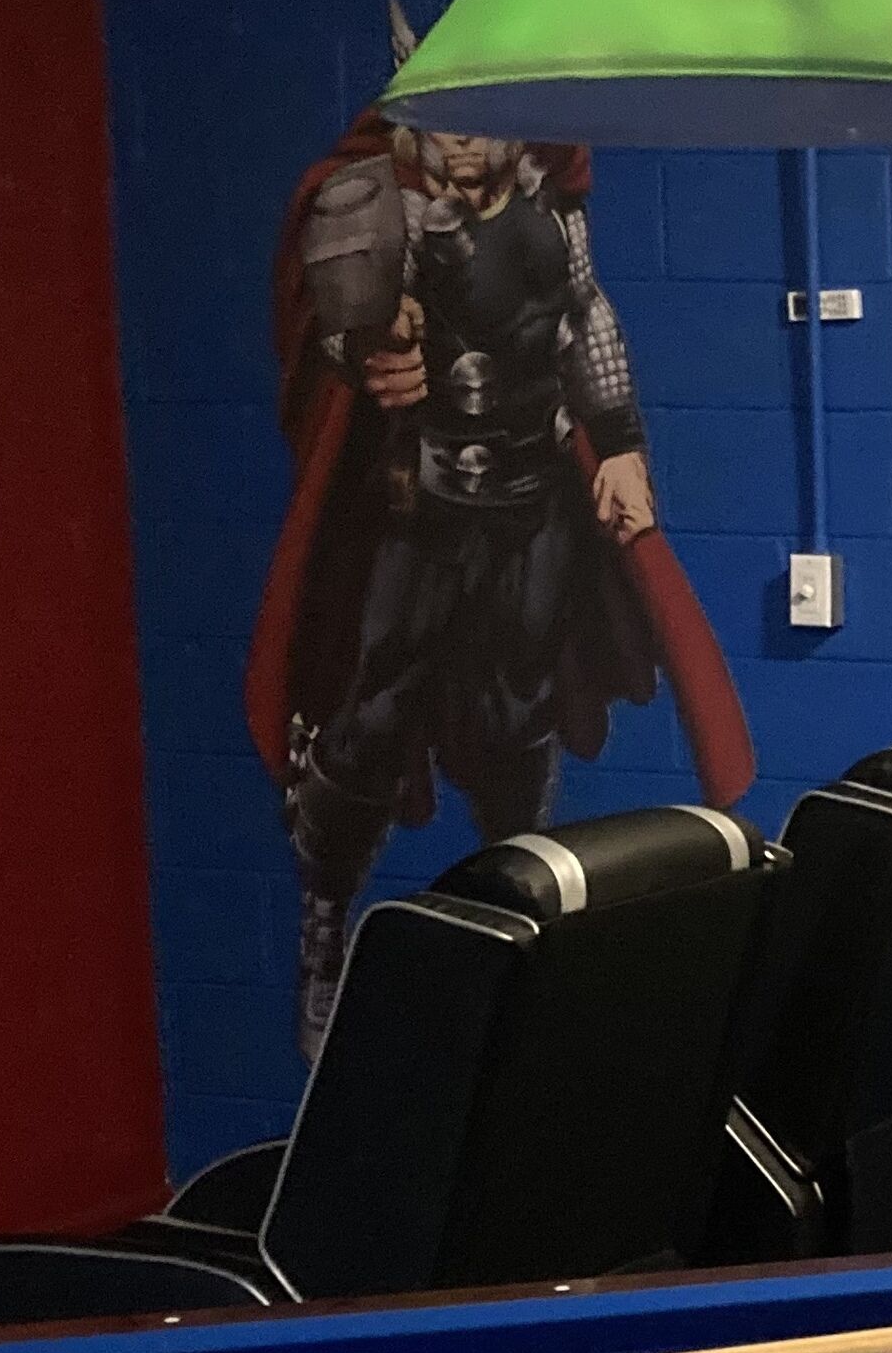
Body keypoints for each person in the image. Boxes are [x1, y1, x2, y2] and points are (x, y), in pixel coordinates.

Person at [252, 91, 747, 1060]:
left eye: (481, 120)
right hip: (419, 509)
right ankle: (325, 922)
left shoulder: (552, 207)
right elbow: (336, 324)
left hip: (534, 503)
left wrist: (621, 445)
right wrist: (370, 348)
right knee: (372, 720)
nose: (464, 140)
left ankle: (516, 929)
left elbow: (585, 317)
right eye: (446, 122)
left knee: (519, 714)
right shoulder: (375, 204)